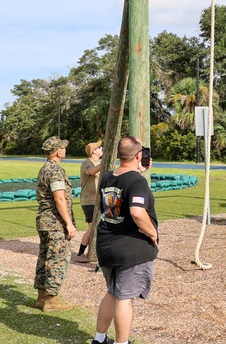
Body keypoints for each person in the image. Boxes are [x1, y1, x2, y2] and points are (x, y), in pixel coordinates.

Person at [92, 136, 158, 344]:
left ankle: (99, 339)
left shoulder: (107, 177)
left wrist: (139, 172)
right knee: (124, 298)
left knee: (112, 292)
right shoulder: (137, 181)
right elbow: (137, 212)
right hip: (129, 249)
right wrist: (152, 233)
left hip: (106, 245)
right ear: (139, 156)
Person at [34, 136, 77, 312]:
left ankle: (42, 295)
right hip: (54, 222)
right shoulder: (56, 171)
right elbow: (59, 197)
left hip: (44, 221)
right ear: (59, 151)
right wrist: (68, 223)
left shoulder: (44, 168)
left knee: (45, 257)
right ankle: (52, 299)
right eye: (63, 148)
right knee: (56, 259)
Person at [75, 141, 103, 263]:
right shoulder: (87, 163)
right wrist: (105, 161)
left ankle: (93, 251)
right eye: (99, 147)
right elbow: (91, 171)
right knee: (92, 227)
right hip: (89, 201)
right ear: (93, 151)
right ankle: (80, 253)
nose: (102, 148)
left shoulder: (98, 163)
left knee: (98, 227)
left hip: (97, 200)